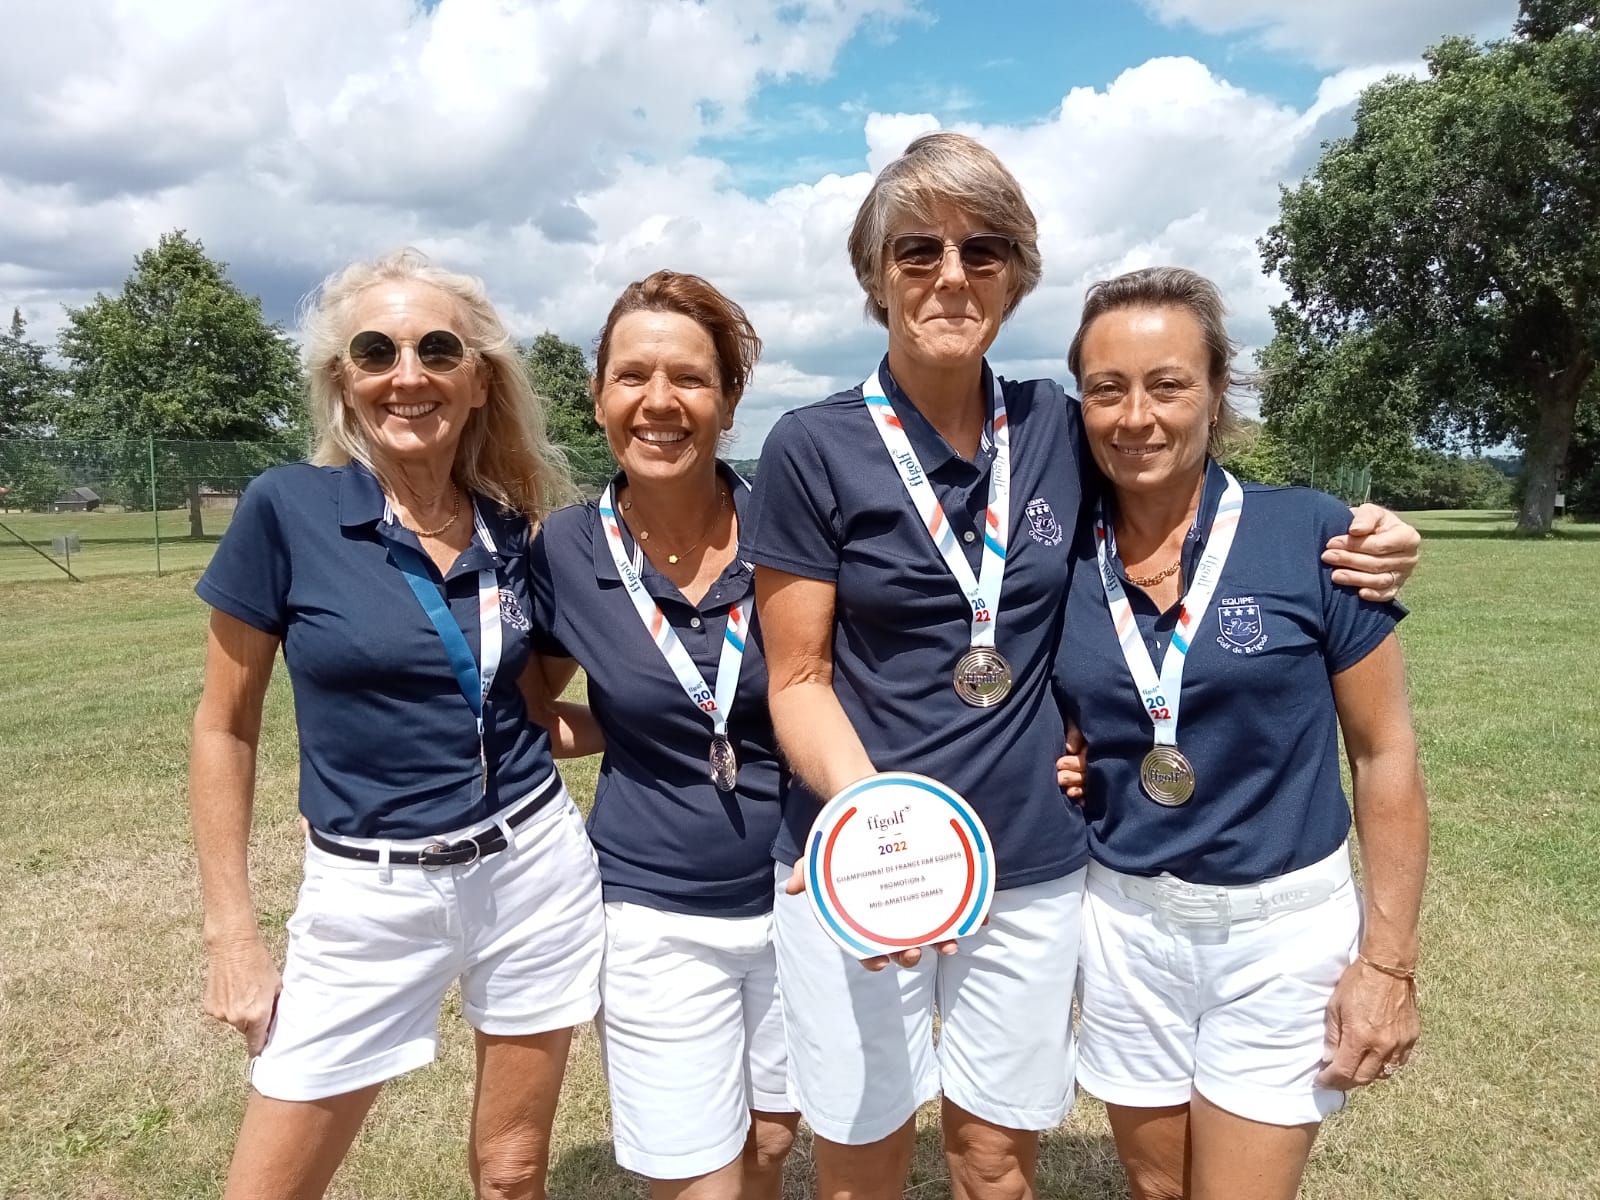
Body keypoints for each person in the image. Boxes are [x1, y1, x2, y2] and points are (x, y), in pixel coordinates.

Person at [743, 132, 1421, 1200]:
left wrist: (1377, 534)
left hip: (1030, 864)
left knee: (993, 1166)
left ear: (1016, 274)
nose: (951, 274)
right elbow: (796, 678)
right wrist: (879, 831)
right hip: (870, 860)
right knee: (859, 1167)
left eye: (982, 250)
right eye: (917, 249)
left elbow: (1192, 499)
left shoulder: (1063, 423)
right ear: (875, 274)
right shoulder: (809, 447)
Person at [189, 250, 605, 1200]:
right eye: (376, 351)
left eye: (437, 350)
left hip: (533, 873)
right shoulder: (287, 508)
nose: (406, 374)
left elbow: (523, 714)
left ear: (479, 379)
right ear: (345, 379)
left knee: (512, 1172)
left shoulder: (512, 530)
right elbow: (224, 728)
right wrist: (231, 935)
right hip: (367, 896)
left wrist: (660, 727)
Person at [1053, 266, 1428, 1200]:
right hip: (1125, 927)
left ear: (1217, 392)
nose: (1136, 417)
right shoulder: (1054, 555)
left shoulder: (1312, 534)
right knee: (1157, 1191)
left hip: (1280, 937)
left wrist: (1388, 963)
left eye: (1167, 385)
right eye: (1107, 389)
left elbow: (1384, 754)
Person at [526, 270, 799, 1199]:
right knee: (694, 1175)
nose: (659, 402)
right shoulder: (567, 548)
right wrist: (619, 725)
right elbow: (526, 709)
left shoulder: (794, 526)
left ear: (728, 398)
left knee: (771, 1143)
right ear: (598, 395)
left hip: (803, 895)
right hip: (650, 908)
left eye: (689, 377)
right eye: (632, 376)